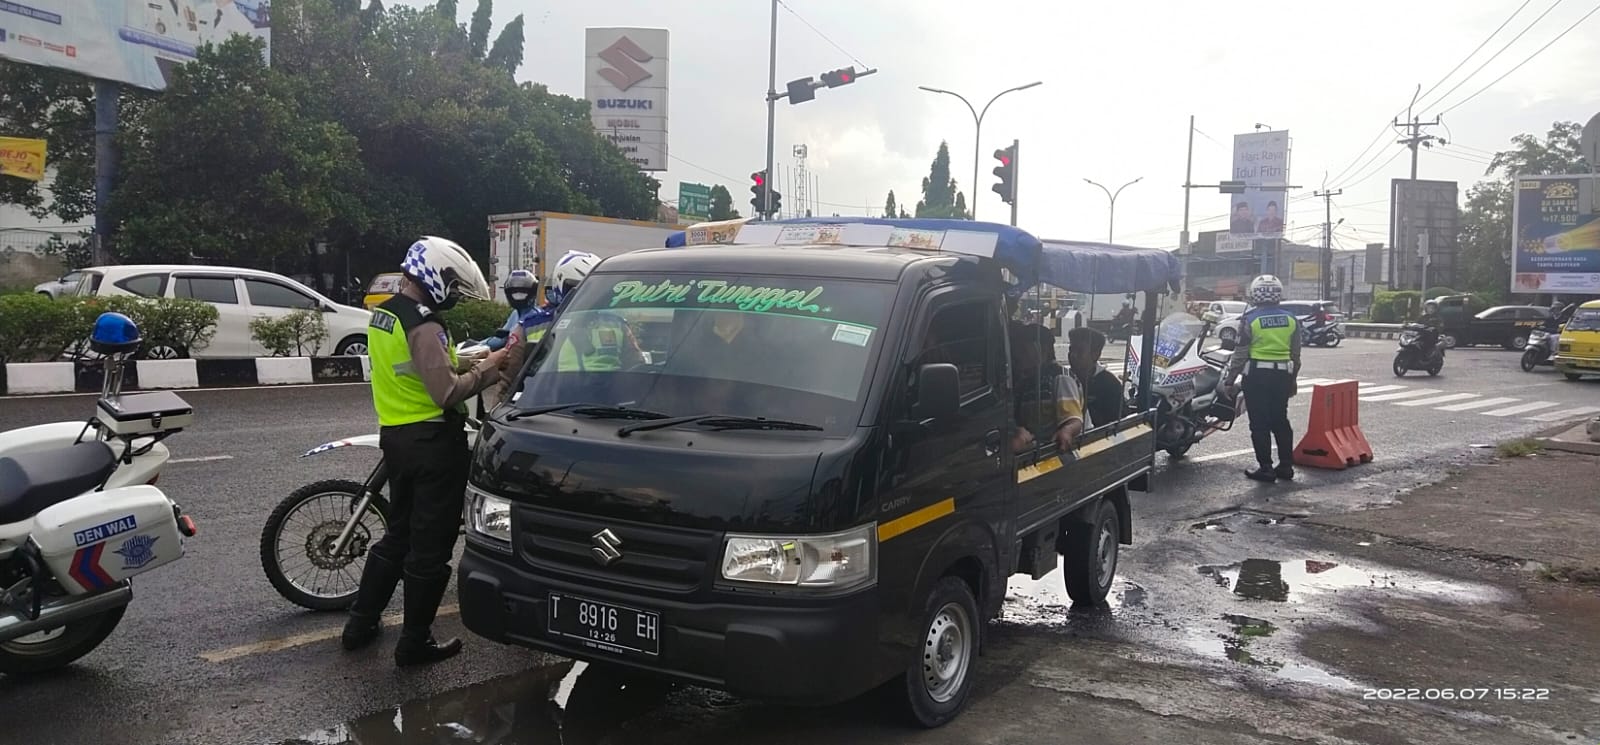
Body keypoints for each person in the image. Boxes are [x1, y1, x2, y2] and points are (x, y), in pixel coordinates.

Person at [343, 236, 508, 666]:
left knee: (397, 535)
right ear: (434, 275)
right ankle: (414, 642)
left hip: (396, 437)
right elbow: (444, 392)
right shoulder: (425, 323)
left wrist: (476, 359)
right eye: (451, 284)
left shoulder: (384, 315)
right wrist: (491, 373)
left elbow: (422, 369)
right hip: (434, 445)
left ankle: (360, 623)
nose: (453, 294)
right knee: (430, 549)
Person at [1222, 275, 1301, 483]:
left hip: (1257, 376)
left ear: (1255, 294)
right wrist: (1293, 380)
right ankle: (1286, 466)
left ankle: (1265, 468)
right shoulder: (1291, 319)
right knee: (1280, 420)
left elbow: (1240, 355)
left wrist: (1230, 380)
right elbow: (1295, 356)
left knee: (1259, 423)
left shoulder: (1250, 319)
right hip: (1282, 376)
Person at [1010, 323, 1084, 453]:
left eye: (1023, 350)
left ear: (1042, 350)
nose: (1017, 355)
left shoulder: (1060, 378)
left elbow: (1074, 421)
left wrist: (1067, 431)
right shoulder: (1025, 382)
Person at [1068, 326, 1124, 428]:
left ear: (1096, 354)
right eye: (1071, 349)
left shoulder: (1109, 385)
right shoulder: (1064, 379)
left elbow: (1118, 423)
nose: (1073, 355)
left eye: (1080, 351)